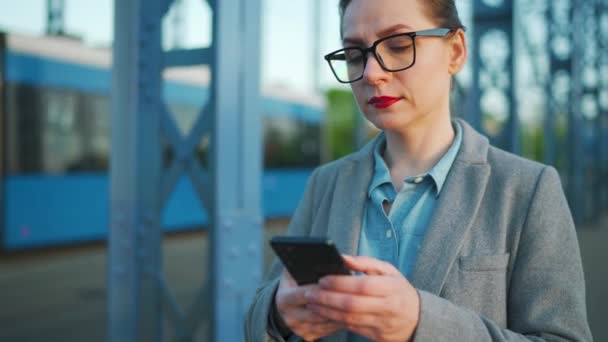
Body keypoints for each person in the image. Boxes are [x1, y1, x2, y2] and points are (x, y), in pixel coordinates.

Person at [245, 0, 593, 341]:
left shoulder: (528, 189)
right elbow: (258, 318)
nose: (371, 73)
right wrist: (278, 313)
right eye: (354, 55)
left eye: (398, 46)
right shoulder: (326, 182)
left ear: (455, 51)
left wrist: (421, 323)